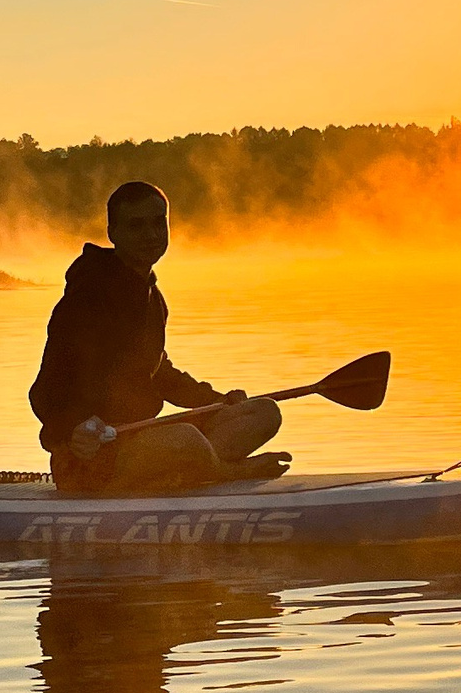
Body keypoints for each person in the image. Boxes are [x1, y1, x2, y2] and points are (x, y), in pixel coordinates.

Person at [30, 180, 286, 496]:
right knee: (185, 441)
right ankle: (221, 472)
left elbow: (159, 372)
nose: (150, 235)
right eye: (136, 226)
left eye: (157, 222)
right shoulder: (86, 299)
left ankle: (186, 470)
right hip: (91, 457)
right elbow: (44, 390)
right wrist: (72, 428)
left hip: (141, 442)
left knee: (262, 413)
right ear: (113, 233)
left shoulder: (152, 297)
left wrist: (215, 401)